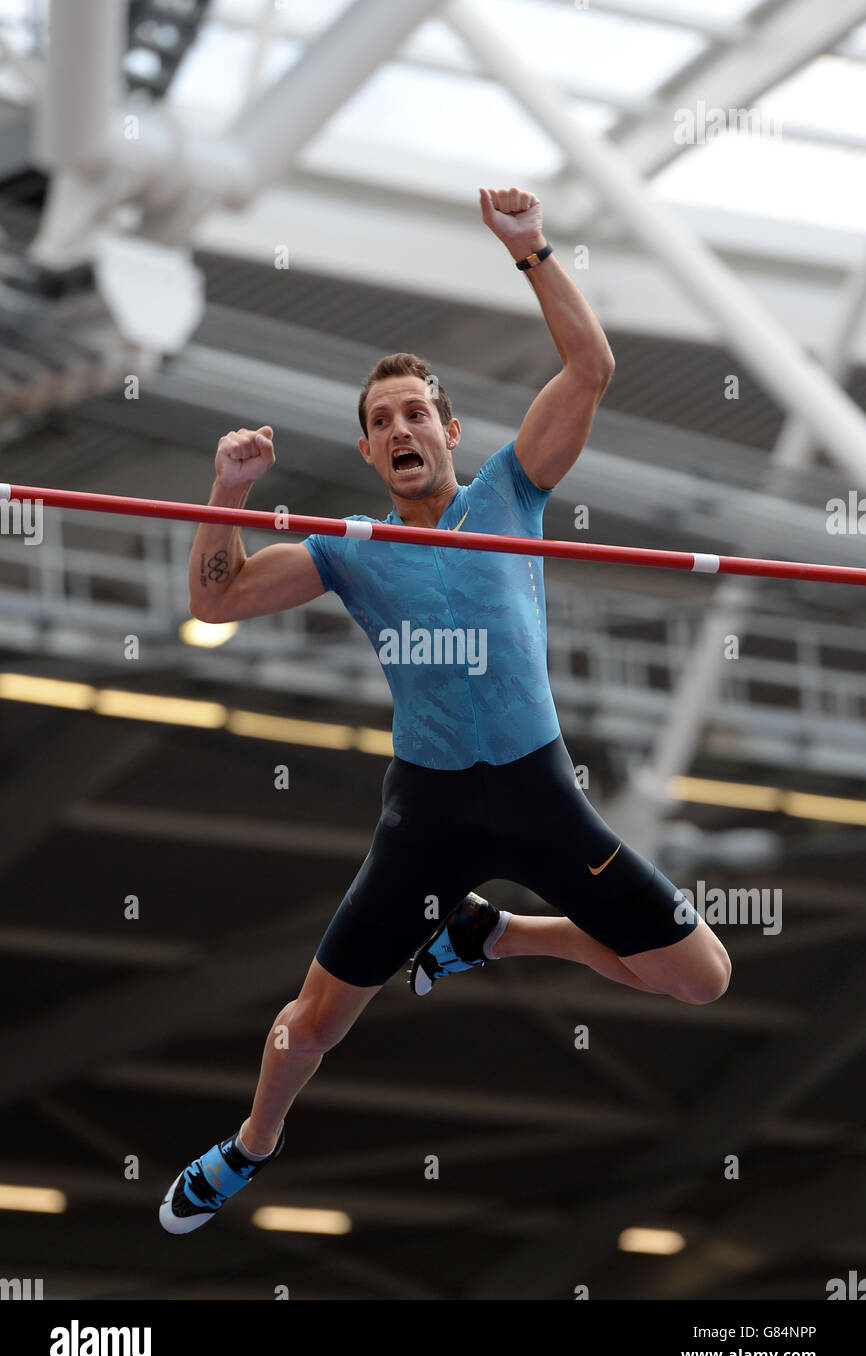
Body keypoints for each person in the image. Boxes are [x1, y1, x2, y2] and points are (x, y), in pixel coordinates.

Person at [159, 187, 731, 1234]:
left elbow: (591, 369)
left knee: (699, 974)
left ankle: (498, 936)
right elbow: (214, 597)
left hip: (535, 792)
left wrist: (530, 250)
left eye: (413, 412)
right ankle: (249, 1147)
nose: (398, 428)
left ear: (448, 429)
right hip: (424, 814)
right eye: (380, 425)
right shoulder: (348, 549)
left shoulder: (510, 492)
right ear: (374, 458)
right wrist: (228, 488)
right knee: (312, 1025)